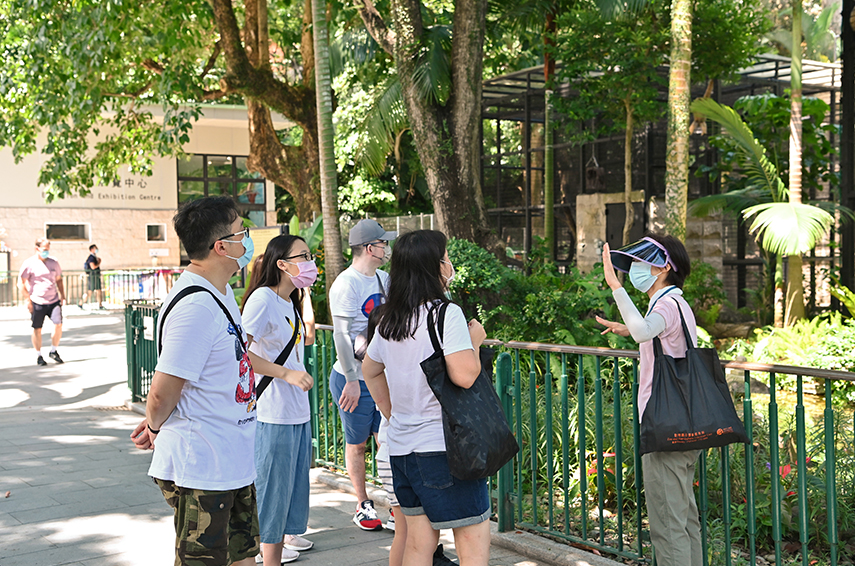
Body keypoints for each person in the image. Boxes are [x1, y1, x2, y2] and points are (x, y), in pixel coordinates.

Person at [130, 196, 260, 566]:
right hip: (203, 465)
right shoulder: (195, 307)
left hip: (231, 459)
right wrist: (154, 426)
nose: (247, 239)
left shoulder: (220, 293)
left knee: (243, 556)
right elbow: (162, 390)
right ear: (222, 246)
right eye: (241, 232)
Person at [362, 230, 491, 566]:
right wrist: (474, 340)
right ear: (434, 266)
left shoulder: (390, 317)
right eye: (446, 258)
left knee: (419, 544)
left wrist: (392, 413)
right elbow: (464, 375)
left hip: (403, 449)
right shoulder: (445, 314)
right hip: (445, 449)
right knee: (473, 542)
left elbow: (371, 369)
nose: (450, 264)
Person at [596, 234, 700, 566]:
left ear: (665, 267)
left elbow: (645, 332)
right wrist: (631, 327)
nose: (637, 270)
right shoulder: (677, 305)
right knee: (685, 520)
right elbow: (650, 332)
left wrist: (615, 285)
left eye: (643, 263)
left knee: (668, 526)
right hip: (685, 420)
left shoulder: (667, 305)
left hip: (664, 424)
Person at [241, 236, 317, 565]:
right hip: (273, 413)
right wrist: (286, 374)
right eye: (304, 256)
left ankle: (277, 552)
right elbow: (240, 354)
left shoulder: (290, 301)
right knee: (272, 496)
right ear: (282, 264)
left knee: (290, 495)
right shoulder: (263, 299)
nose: (311, 262)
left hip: (297, 412)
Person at [328, 218, 396, 531]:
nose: (386, 248)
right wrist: (353, 381)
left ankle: (396, 501)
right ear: (370, 248)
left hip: (381, 375)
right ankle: (362, 503)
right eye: (382, 244)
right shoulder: (346, 284)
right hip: (352, 378)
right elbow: (341, 336)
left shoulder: (384, 280)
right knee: (357, 444)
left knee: (388, 439)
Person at [19, 238, 65, 366]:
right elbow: (21, 283)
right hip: (37, 301)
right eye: (44, 250)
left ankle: (53, 350)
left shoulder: (54, 262)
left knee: (58, 324)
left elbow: (59, 280)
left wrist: (63, 295)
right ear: (37, 249)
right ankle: (39, 355)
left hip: (53, 300)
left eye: (48, 250)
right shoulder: (29, 263)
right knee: (37, 329)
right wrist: (28, 300)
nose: (47, 252)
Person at [79, 243, 104, 309]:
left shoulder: (94, 257)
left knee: (99, 291)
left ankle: (100, 304)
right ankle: (81, 302)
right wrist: (99, 263)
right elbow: (93, 267)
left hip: (96, 276)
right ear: (92, 249)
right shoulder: (91, 258)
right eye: (95, 248)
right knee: (89, 291)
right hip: (93, 276)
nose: (97, 249)